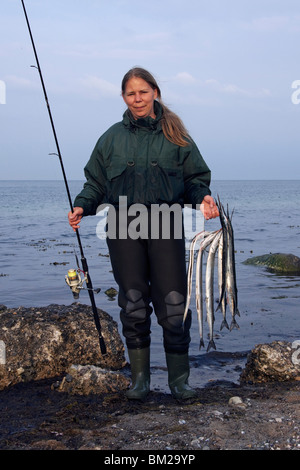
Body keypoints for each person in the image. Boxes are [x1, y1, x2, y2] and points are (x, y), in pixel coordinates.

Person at [68, 67, 219, 400]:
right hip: (123, 224)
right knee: (133, 302)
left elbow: (195, 180)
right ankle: (140, 381)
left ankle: (179, 381)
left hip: (165, 221)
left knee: (174, 302)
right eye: (130, 93)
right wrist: (83, 206)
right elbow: (95, 183)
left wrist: (203, 199)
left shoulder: (177, 135)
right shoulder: (110, 138)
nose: (137, 99)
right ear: (123, 97)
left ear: (155, 92)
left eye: (143, 92)